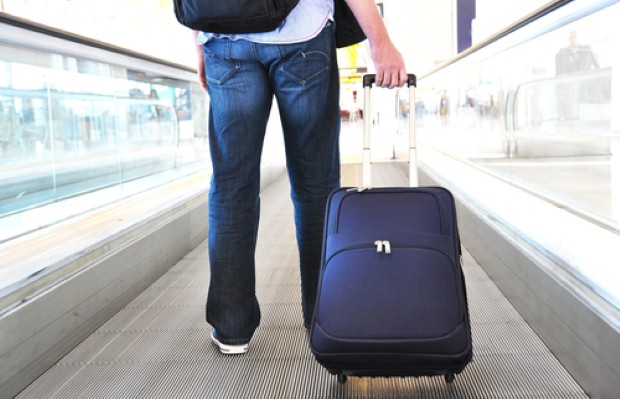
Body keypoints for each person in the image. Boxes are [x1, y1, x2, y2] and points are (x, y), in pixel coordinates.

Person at [193, 0, 407, 355]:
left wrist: (200, 40)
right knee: (315, 186)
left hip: (224, 38)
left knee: (231, 188)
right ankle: (322, 314)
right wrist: (379, 41)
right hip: (302, 36)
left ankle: (231, 328)